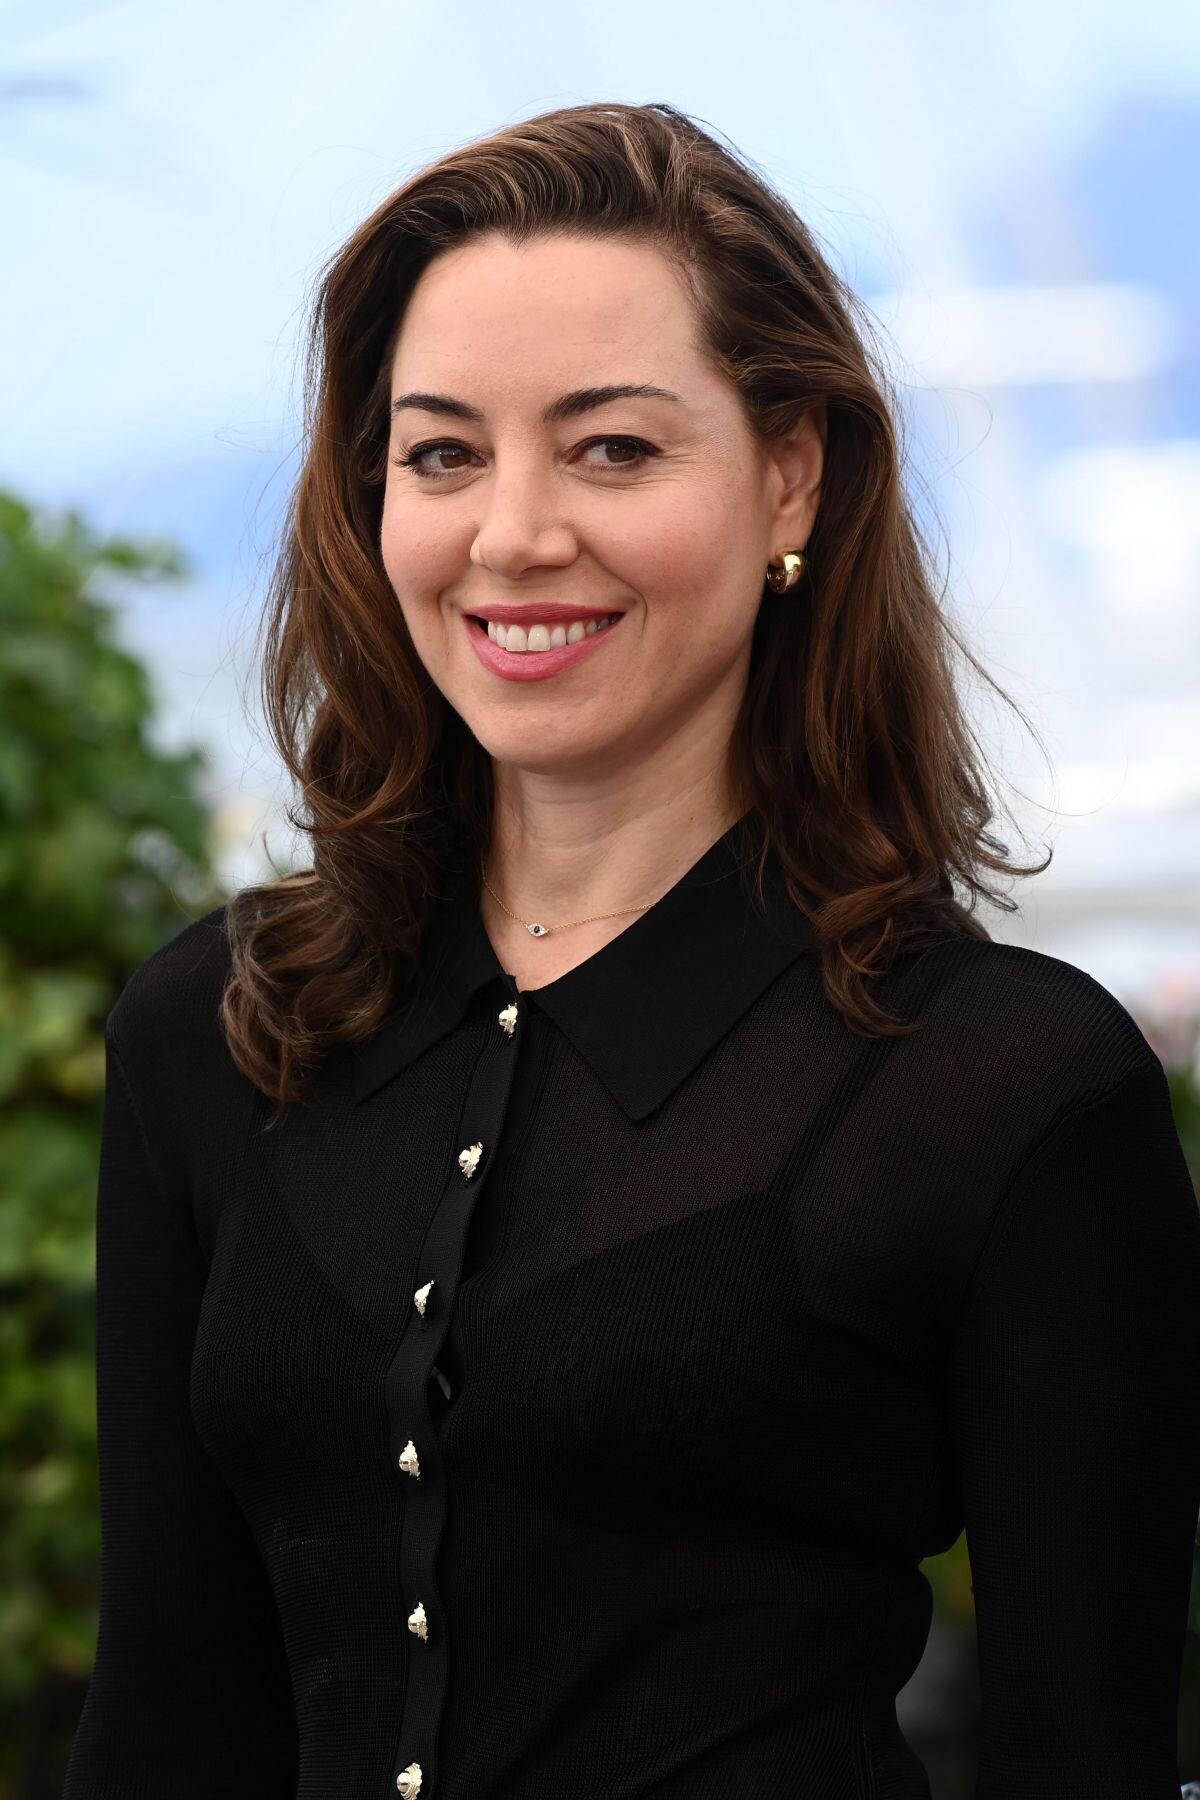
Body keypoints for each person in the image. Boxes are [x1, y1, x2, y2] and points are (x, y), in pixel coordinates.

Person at [62, 101, 1200, 1800]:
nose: (513, 533)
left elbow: (1083, 1761)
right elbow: (165, 1719)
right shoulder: (218, 1031)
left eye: (610, 449)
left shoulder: (1002, 1087)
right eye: (442, 454)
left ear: (791, 472)